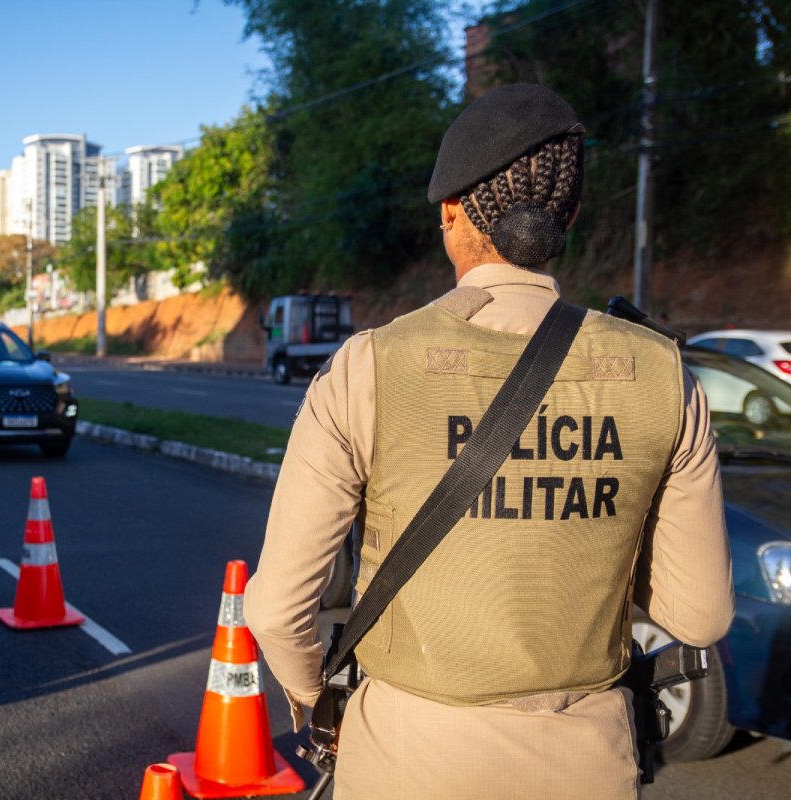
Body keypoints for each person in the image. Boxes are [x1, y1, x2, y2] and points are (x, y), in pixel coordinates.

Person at [244, 83, 734, 799]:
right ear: (565, 215)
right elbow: (701, 616)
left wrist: (317, 707)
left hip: (403, 760)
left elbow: (276, 609)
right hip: (587, 764)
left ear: (449, 214)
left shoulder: (369, 367)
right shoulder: (661, 373)